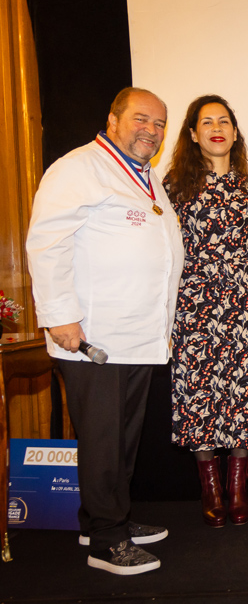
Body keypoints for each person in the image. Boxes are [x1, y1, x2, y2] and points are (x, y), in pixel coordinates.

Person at [26, 87, 184, 574]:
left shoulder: (144, 176)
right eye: (141, 119)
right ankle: (107, 543)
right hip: (92, 336)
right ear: (113, 119)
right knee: (102, 439)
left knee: (120, 439)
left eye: (159, 124)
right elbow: (46, 244)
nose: (151, 131)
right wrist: (59, 316)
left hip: (135, 335)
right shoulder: (77, 168)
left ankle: (101, 519)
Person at [164, 95, 248, 528]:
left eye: (224, 121)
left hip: (243, 304)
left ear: (235, 132)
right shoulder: (174, 185)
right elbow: (166, 253)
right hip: (193, 306)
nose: (217, 127)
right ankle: (210, 490)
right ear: (193, 134)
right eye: (206, 122)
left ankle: (237, 489)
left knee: (243, 397)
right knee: (200, 398)